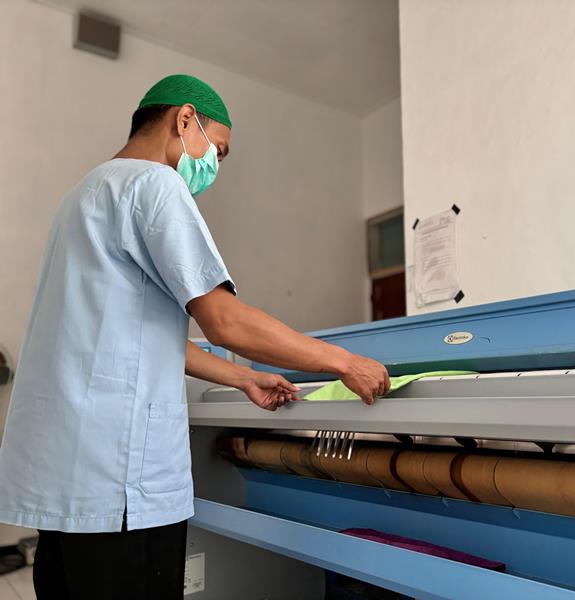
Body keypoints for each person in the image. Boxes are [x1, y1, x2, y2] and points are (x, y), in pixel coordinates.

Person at [0, 74, 390, 599]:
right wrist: (344, 361)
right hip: (120, 483)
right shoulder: (154, 185)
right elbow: (225, 321)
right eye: (217, 151)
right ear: (184, 120)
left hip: (67, 478)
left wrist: (243, 378)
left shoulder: (81, 197)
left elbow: (135, 336)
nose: (213, 167)